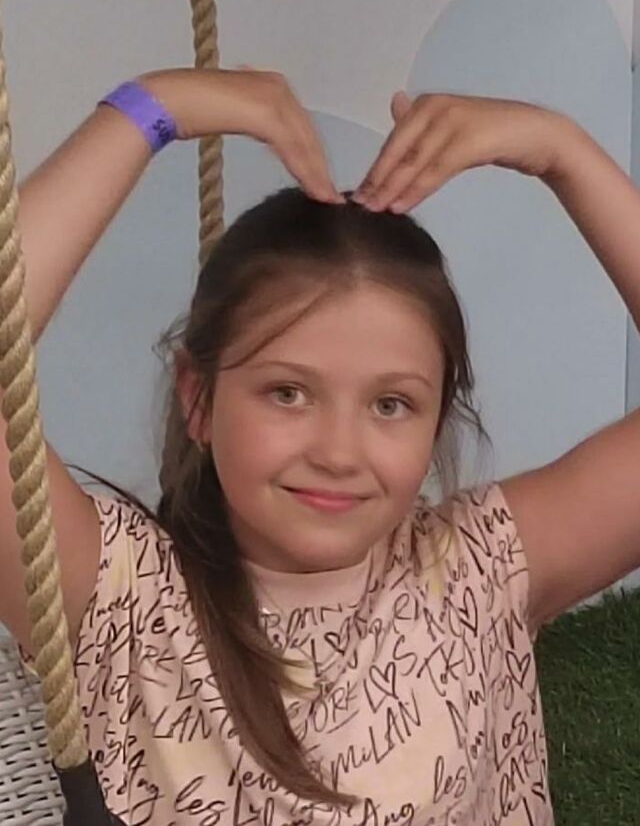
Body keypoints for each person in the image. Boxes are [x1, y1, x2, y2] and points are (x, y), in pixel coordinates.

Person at [1, 66, 639, 826]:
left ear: (436, 420)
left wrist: (563, 151)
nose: (339, 451)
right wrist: (152, 109)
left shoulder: (481, 570)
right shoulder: (122, 603)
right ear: (199, 398)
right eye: (288, 393)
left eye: (391, 404)